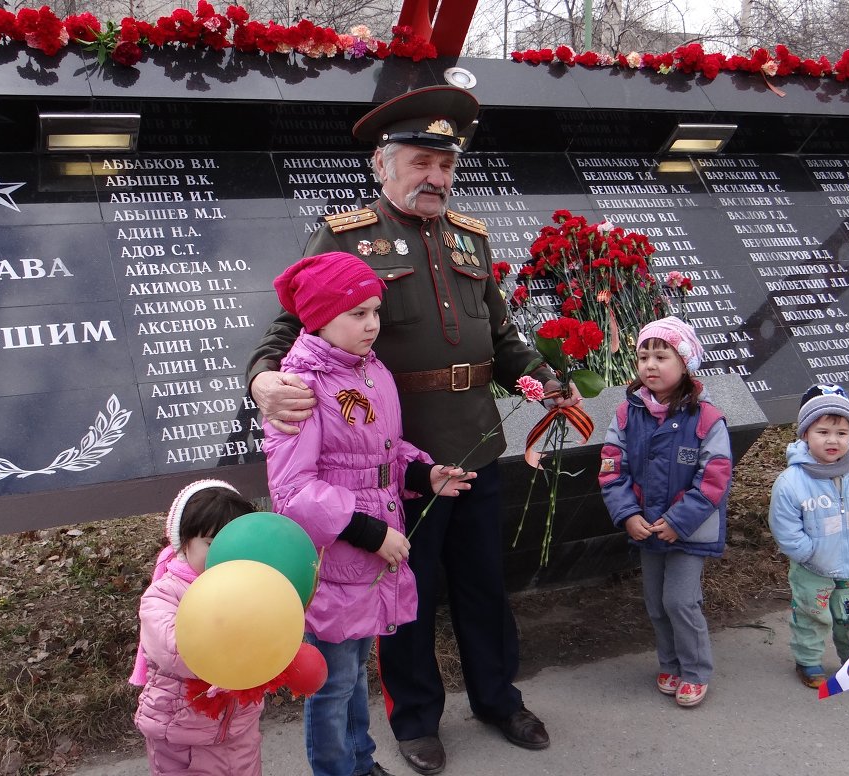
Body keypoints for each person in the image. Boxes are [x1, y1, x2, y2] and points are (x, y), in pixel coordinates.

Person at [247, 86, 576, 775]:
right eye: (422, 161)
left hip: (478, 440)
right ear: (382, 163)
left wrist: (543, 375)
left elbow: (504, 335)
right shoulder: (343, 237)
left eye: (446, 165)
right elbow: (287, 327)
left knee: (486, 585)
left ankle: (497, 698)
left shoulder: (470, 238)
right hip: (396, 461)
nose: (436, 178)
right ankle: (416, 717)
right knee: (405, 598)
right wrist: (261, 380)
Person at [264, 251, 475, 776]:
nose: (372, 324)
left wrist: (422, 475)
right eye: (357, 313)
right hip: (336, 558)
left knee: (355, 669)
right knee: (332, 686)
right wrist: (368, 531)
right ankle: (339, 769)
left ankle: (361, 759)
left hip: (370, 555)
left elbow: (383, 452)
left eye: (375, 310)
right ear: (320, 318)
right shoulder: (301, 387)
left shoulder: (371, 369)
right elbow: (292, 491)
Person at [598, 316, 733, 707]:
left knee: (680, 601)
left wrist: (677, 521)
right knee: (656, 602)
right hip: (646, 527)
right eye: (643, 356)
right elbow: (611, 467)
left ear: (686, 363)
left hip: (688, 531)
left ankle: (695, 670)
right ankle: (670, 663)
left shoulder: (707, 419)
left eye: (662, 356)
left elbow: (714, 477)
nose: (650, 365)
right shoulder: (627, 415)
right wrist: (627, 515)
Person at [130, 479, 262, 776]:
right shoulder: (164, 595)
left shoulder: (250, 588)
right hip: (181, 738)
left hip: (239, 732)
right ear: (184, 541)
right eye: (212, 544)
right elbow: (177, 650)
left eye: (235, 544)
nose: (224, 555)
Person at [768, 384, 849, 689]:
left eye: (841, 432)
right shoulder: (792, 481)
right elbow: (785, 525)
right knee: (812, 616)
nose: (832, 440)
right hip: (813, 567)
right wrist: (806, 552)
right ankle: (809, 660)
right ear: (805, 434)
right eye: (823, 432)